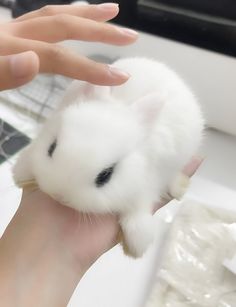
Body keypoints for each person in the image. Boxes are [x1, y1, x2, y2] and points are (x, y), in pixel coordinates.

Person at [0, 3, 202, 306]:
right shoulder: (73, 109)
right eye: (52, 149)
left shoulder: (145, 144)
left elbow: (143, 181)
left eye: (104, 175)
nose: (59, 194)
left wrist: (136, 209)